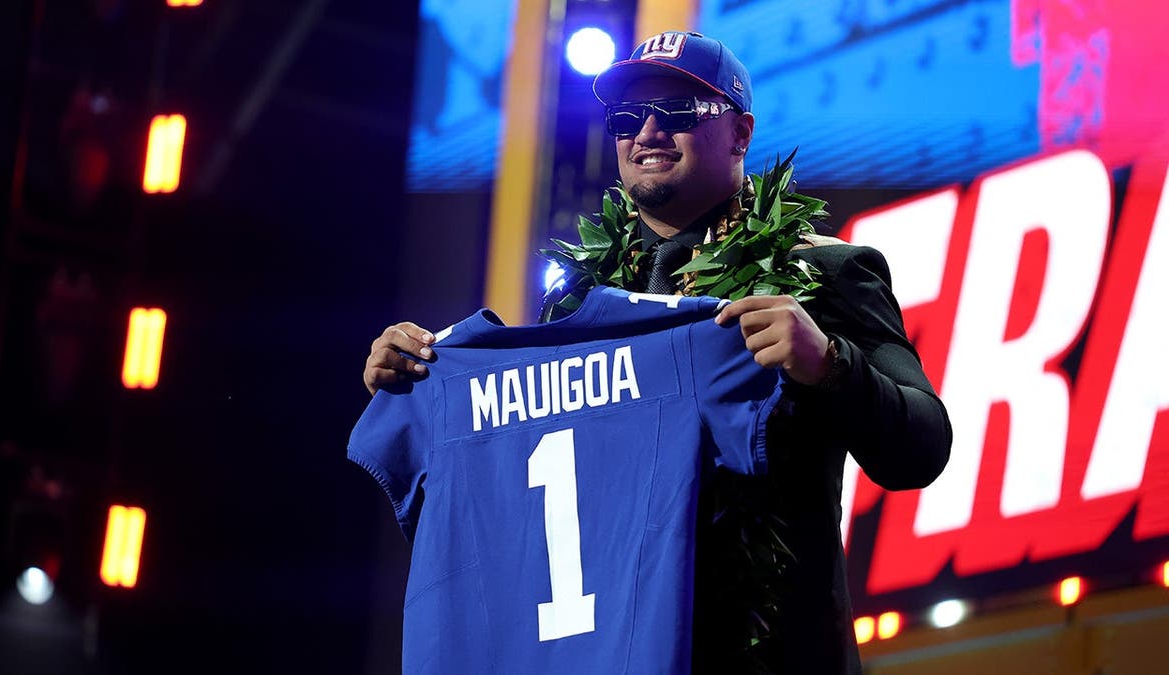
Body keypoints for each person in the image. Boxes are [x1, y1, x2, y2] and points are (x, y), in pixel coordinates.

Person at [362, 31, 952, 673]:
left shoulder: (824, 274)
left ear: (740, 133)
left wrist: (830, 364)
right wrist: (419, 378)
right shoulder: (574, 314)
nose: (646, 132)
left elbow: (922, 448)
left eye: (677, 111)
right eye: (625, 117)